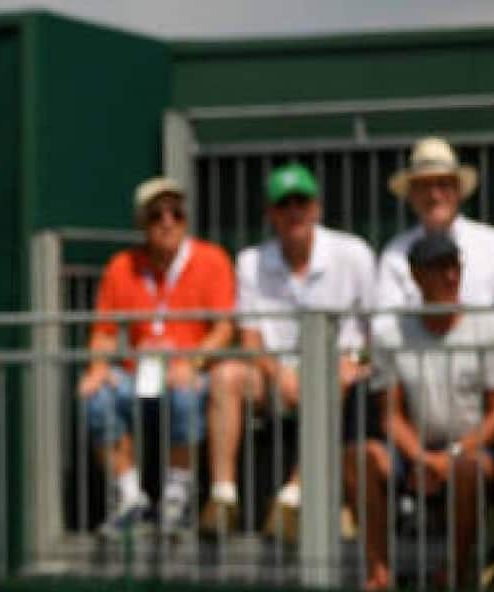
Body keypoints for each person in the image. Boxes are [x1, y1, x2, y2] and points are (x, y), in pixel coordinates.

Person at [201, 163, 376, 539]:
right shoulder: (250, 262)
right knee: (224, 374)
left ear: (316, 209)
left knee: (332, 379)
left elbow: (376, 331)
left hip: (338, 374)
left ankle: (293, 498)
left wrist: (355, 362)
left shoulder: (354, 253)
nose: (294, 211)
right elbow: (249, 341)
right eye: (284, 204)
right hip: (272, 376)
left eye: (302, 202)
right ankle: (223, 497)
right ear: (271, 214)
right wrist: (280, 375)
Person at [342, 233, 494, 591]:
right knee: (359, 457)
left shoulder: (493, 329)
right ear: (416, 275)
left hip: (478, 450)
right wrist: (422, 457)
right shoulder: (391, 335)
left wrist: (449, 456)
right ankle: (379, 571)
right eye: (439, 268)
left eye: (454, 266)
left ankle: (456, 572)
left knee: (466, 468)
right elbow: (390, 415)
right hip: (416, 451)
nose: (450, 276)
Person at [79, 175, 235, 536]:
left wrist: (193, 362)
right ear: (142, 223)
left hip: (189, 370)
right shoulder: (122, 266)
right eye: (156, 215)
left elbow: (224, 329)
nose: (167, 222)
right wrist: (98, 369)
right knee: (97, 397)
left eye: (175, 213)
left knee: (186, 394)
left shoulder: (212, 259)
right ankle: (130, 497)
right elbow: (103, 331)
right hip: (138, 373)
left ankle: (177, 500)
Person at [376, 136, 494, 317]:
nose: (434, 195)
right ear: (411, 195)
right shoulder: (394, 254)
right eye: (424, 186)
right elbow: (384, 326)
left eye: (443, 184)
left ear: (458, 190)